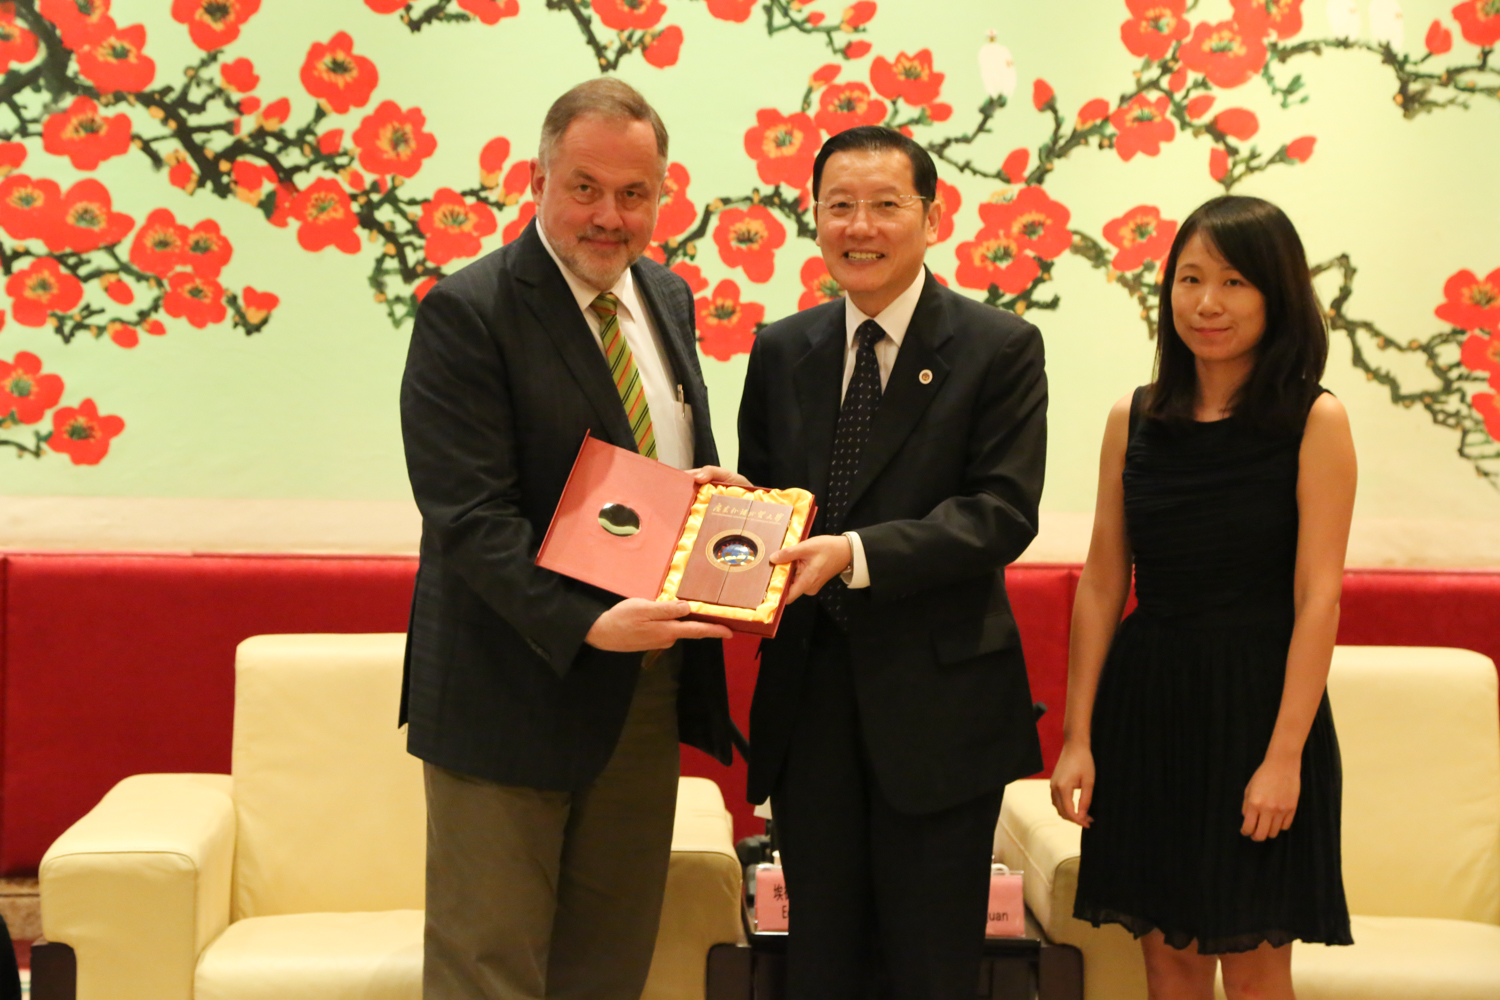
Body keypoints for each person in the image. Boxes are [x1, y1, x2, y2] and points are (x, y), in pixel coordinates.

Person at [399, 78, 737, 1000]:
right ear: (537, 180)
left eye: (634, 194)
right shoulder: (468, 311)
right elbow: (469, 516)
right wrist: (586, 622)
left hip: (641, 691)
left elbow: (638, 471)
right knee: (490, 971)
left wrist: (700, 497)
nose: (609, 216)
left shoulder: (667, 296)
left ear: (662, 195)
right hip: (509, 689)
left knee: (608, 967)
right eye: (585, 187)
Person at [736, 125, 1048, 1000]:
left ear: (932, 218)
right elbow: (773, 505)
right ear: (815, 218)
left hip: (939, 710)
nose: (860, 226)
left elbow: (1000, 513)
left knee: (930, 970)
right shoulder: (782, 349)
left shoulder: (998, 346)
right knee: (819, 965)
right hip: (810, 704)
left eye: (884, 204)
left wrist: (857, 554)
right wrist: (729, 512)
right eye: (839, 205)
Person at [1050, 195, 1356, 1000]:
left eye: (1233, 282)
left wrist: (1284, 758)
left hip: (1258, 707)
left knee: (1255, 971)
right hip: (1149, 704)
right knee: (1169, 964)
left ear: (1275, 294)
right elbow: (1102, 582)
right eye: (1190, 279)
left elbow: (1318, 599)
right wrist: (1078, 736)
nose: (1207, 303)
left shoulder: (1315, 420)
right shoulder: (1134, 416)